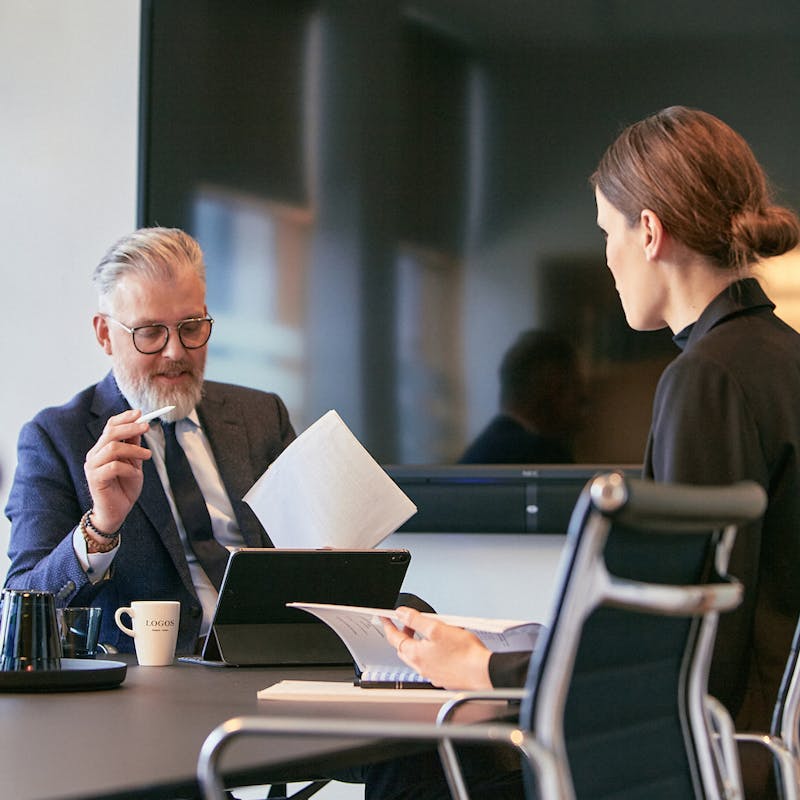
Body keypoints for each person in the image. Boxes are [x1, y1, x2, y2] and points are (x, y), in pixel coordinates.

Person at [372, 106, 800, 799]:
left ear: (651, 232)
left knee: (422, 768)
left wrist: (481, 668)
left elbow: (671, 650)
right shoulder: (783, 359)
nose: (608, 256)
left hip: (698, 762)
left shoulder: (706, 378)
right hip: (760, 753)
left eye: (609, 233)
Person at [4, 227, 296, 654]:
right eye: (150, 333)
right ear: (105, 334)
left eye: (191, 327)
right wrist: (100, 528)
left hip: (270, 661)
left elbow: (308, 553)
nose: (176, 352)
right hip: (148, 686)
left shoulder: (261, 416)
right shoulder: (55, 438)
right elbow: (20, 612)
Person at [458, 329, 585, 464]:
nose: (583, 398)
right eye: (575, 385)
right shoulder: (546, 456)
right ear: (552, 386)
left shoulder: (479, 449)